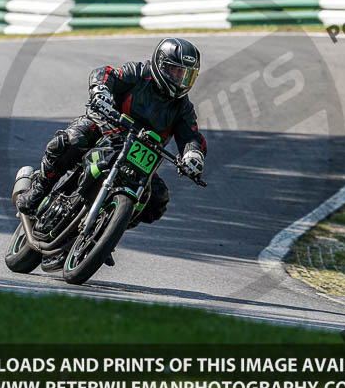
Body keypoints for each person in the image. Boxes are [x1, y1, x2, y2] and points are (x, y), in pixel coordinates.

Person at [17, 38, 206, 255]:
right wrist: (101, 90)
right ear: (160, 65)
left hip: (140, 154)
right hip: (106, 127)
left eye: (186, 75)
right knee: (69, 140)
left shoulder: (183, 108)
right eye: (174, 71)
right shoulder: (138, 73)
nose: (179, 79)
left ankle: (105, 230)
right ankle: (40, 189)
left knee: (157, 199)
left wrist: (193, 155)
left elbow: (191, 136)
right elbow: (107, 73)